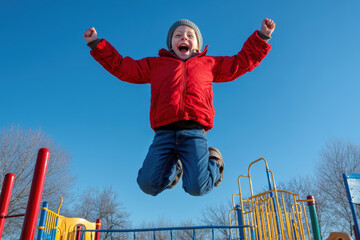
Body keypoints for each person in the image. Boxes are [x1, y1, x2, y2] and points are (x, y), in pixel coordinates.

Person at [84, 18, 275, 196]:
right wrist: (97, 44)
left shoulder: (209, 64)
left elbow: (239, 63)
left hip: (194, 132)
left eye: (190, 35)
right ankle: (174, 168)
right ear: (171, 44)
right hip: (164, 132)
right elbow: (123, 68)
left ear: (197, 45)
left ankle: (215, 162)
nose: (184, 37)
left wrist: (262, 38)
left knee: (196, 188)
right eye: (178, 35)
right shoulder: (157, 64)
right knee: (147, 185)